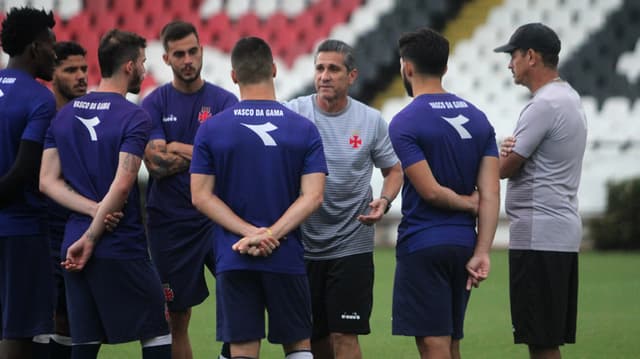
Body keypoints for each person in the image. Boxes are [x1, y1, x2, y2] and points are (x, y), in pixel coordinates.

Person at [190, 36, 327, 359]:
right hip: (285, 255)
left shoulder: (211, 129)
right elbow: (314, 196)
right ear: (275, 70)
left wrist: (249, 233)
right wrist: (270, 234)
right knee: (296, 344)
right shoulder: (304, 129)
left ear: (234, 75)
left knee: (242, 347)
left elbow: (200, 196)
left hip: (234, 254)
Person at [39, 29, 171, 359]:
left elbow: (47, 181)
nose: (145, 68)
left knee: (84, 339)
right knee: (157, 330)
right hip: (117, 243)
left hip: (72, 240)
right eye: (142, 61)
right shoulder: (135, 116)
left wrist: (90, 213)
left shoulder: (64, 115)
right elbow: (123, 184)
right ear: (128, 66)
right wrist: (95, 231)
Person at [285, 39, 403, 359]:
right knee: (315, 336)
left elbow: (394, 169)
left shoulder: (370, 120)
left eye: (333, 69)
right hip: (304, 244)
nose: (324, 76)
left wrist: (386, 199)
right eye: (320, 68)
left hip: (352, 244)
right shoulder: (294, 113)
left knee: (344, 334)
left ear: (352, 76)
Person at [388, 28, 500, 359]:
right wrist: (483, 251)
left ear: (406, 67)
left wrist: (465, 203)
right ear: (445, 68)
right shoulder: (479, 118)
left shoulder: (405, 121)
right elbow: (491, 192)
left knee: (433, 343)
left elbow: (431, 192)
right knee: (451, 342)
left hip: (424, 242)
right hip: (465, 244)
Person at [141, 20, 237, 359]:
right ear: (166, 59)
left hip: (217, 217)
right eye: (179, 54)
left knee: (238, 302)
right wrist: (202, 151)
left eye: (193, 51)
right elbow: (155, 164)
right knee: (176, 317)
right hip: (169, 222)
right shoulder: (152, 104)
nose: (188, 60)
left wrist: (175, 145)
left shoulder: (225, 102)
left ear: (201, 51)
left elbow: (228, 161)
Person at [494, 23, 587, 359]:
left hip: (538, 234)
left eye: (513, 56)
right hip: (558, 229)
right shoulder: (568, 97)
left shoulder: (543, 105)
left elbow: (504, 168)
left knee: (541, 340)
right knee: (546, 337)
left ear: (530, 56)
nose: (509, 64)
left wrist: (490, 153)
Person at [0, 7, 57, 359]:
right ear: (35, 48)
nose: (56, 51)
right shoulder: (39, 98)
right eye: (52, 44)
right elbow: (24, 172)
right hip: (20, 230)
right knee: (17, 331)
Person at [46, 40, 89, 359]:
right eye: (71, 70)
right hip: (44, 228)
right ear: (52, 73)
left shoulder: (90, 118)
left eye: (84, 69)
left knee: (75, 319)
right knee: (45, 317)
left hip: (82, 229)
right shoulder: (41, 114)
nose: (81, 76)